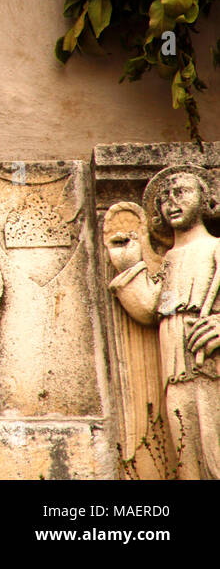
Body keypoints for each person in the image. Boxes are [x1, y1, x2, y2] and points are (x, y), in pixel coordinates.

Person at [107, 164, 220, 478]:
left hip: (211, 365)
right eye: (165, 197)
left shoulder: (216, 248)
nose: (172, 201)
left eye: (181, 192)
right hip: (175, 371)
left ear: (206, 198)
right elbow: (152, 309)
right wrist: (129, 267)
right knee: (188, 459)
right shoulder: (170, 259)